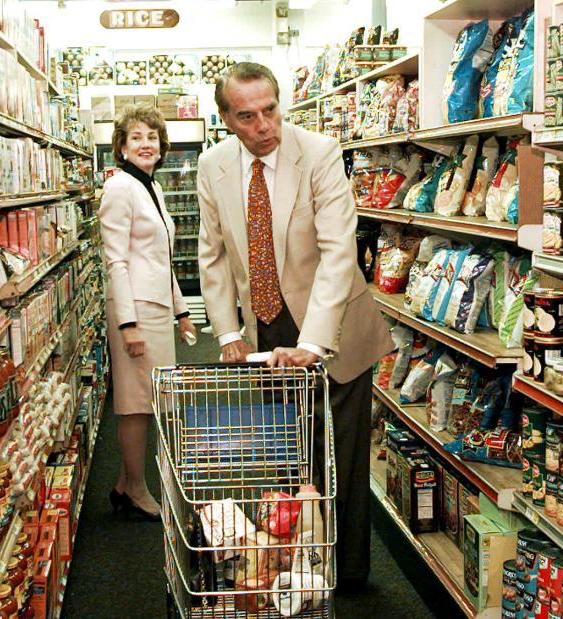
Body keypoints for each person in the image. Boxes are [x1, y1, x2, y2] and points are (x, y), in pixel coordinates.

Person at [196, 62, 393, 589]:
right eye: (247, 116)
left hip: (334, 326)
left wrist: (312, 342)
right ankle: (301, 566)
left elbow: (336, 253)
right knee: (289, 451)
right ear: (225, 118)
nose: (263, 126)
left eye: (270, 110)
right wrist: (227, 333)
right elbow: (212, 256)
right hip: (265, 329)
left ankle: (349, 575)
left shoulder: (320, 153)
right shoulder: (212, 166)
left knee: (341, 455)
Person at [100, 105, 196, 521]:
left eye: (152, 137)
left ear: (162, 146)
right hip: (135, 310)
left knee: (151, 398)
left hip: (155, 308)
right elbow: (116, 261)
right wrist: (127, 324)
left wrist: (182, 312)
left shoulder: (150, 187)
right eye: (136, 137)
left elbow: (163, 258)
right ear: (121, 147)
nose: (146, 144)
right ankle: (138, 489)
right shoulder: (120, 188)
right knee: (137, 402)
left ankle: (125, 483)